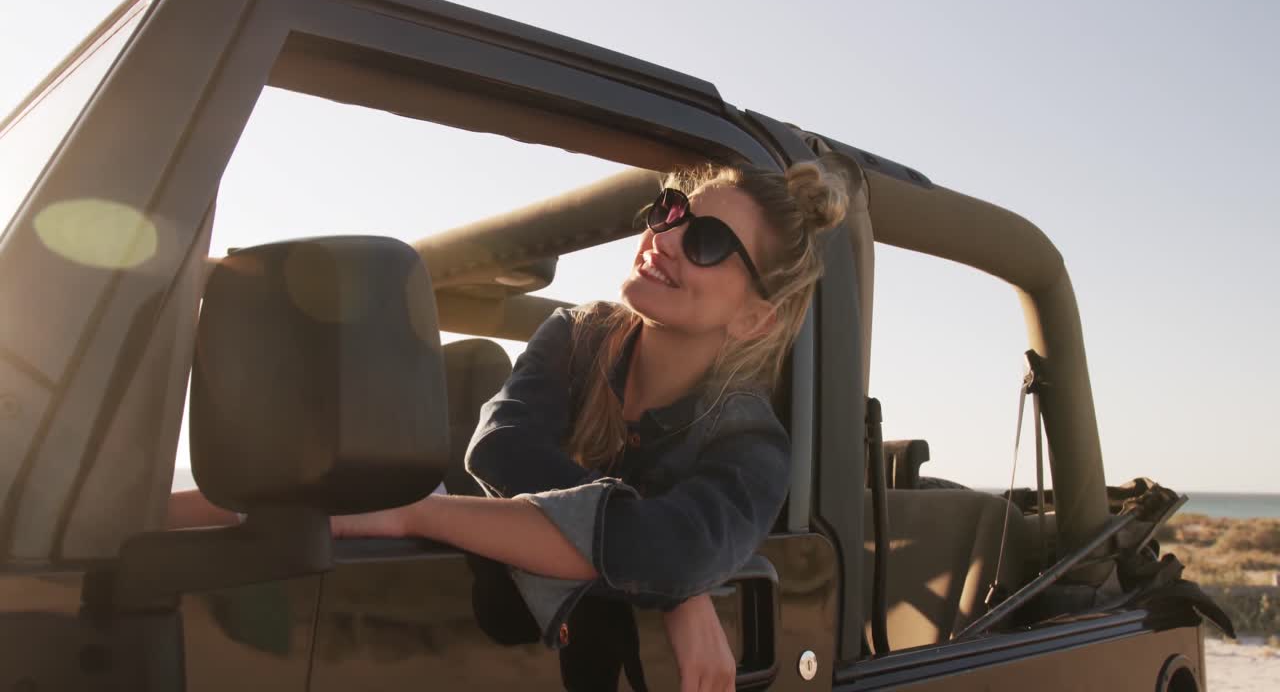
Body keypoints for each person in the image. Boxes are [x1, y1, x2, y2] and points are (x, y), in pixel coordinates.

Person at [169, 155, 849, 692]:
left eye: (705, 240)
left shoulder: (750, 444)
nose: (664, 236)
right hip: (486, 603)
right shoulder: (576, 335)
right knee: (217, 513)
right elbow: (499, 451)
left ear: (754, 317)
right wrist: (660, 581)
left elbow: (671, 555)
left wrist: (419, 515)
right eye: (671, 210)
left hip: (549, 647)